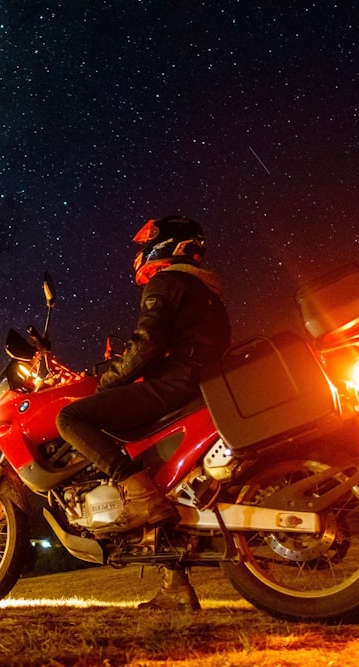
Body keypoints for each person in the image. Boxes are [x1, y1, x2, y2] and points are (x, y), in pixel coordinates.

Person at [56, 215, 231, 611]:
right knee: (151, 472)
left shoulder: (167, 282)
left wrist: (110, 380)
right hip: (197, 384)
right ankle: (176, 587)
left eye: (146, 245)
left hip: (174, 384)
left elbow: (147, 342)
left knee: (71, 419)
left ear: (165, 245)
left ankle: (137, 499)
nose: (140, 254)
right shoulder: (206, 293)